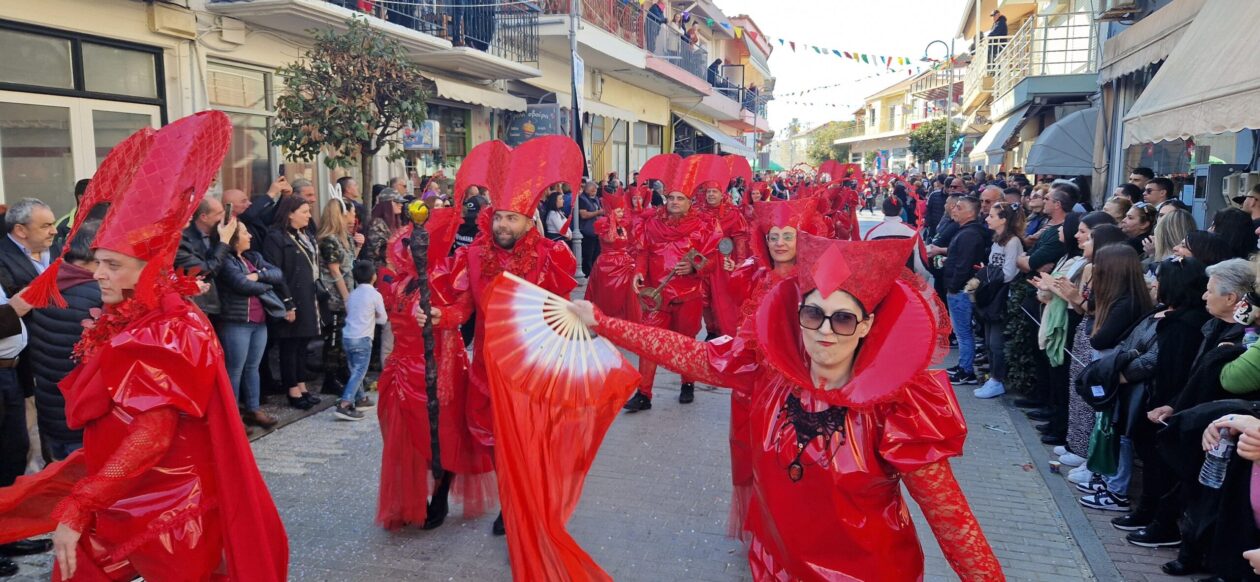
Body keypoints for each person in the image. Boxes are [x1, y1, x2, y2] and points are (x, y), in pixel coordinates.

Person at [570, 234, 1003, 580]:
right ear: (798, 315)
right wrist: (603, 322)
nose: (826, 331)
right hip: (775, 565)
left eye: (844, 318)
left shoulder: (895, 410)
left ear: (866, 325)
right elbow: (694, 356)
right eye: (813, 315)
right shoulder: (770, 373)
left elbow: (951, 519)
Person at [0, 111, 288, 581]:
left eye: (112, 264)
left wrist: (80, 505)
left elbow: (152, 434)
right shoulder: (136, 317)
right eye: (99, 262)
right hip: (126, 489)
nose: (98, 274)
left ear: (148, 270)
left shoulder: (170, 328)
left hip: (170, 501)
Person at [430, 136, 580, 536]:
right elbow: (463, 309)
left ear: (530, 221)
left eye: (512, 218)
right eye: (499, 217)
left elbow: (561, 312)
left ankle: (518, 501)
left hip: (532, 365)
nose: (502, 225)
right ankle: (508, 498)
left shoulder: (550, 257)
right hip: (487, 363)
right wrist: (438, 315)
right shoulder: (474, 257)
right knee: (494, 436)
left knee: (526, 438)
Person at [621, 154, 723, 411]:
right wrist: (638, 273)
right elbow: (643, 251)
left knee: (686, 342)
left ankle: (687, 382)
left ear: (690, 201)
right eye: (671, 198)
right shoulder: (653, 223)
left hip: (688, 295)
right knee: (649, 343)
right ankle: (644, 394)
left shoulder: (704, 226)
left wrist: (693, 266)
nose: (674, 202)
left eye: (680, 198)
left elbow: (713, 262)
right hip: (656, 296)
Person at [216, 219, 286, 429]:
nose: (250, 236)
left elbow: (277, 274)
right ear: (234, 239)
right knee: (234, 370)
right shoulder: (227, 262)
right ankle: (232, 415)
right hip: (237, 321)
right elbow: (241, 284)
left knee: (252, 367)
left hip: (259, 321)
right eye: (245, 233)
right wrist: (265, 285)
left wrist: (257, 275)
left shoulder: (252, 257)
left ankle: (253, 409)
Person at [263, 194, 322, 410]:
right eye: (304, 212)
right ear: (290, 214)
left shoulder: (303, 235)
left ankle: (301, 383)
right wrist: (287, 302)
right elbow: (276, 272)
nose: (309, 216)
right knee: (290, 343)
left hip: (307, 294)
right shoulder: (275, 237)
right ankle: (292, 389)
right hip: (290, 296)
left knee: (302, 342)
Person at [973, 201, 1025, 398]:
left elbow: (1009, 273)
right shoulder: (998, 240)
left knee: (996, 342)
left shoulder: (1013, 242)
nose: (987, 218)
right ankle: (993, 378)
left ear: (1003, 220)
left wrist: (987, 274)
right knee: (988, 340)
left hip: (1000, 296)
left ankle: (997, 379)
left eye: (992, 216)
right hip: (991, 294)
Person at [697, 168, 751, 338]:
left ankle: (727, 333)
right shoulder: (698, 213)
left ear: (722, 194)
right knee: (704, 298)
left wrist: (740, 263)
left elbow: (740, 239)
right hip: (704, 261)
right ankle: (711, 330)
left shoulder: (733, 214)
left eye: (714, 192)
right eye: (708, 192)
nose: (711, 195)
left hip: (723, 262)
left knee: (724, 301)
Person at [943, 196, 990, 386]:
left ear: (970, 213)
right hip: (961, 288)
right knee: (963, 331)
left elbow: (964, 265)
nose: (954, 210)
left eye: (959, 208)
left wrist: (953, 287)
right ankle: (964, 365)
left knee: (963, 332)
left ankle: (966, 370)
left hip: (961, 291)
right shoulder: (966, 232)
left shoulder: (969, 234)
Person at [316, 198, 359, 395]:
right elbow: (335, 271)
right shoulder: (329, 240)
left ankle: (343, 372)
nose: (353, 217)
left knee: (343, 337)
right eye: (350, 212)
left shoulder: (345, 238)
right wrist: (346, 297)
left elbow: (349, 264)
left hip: (348, 291)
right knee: (334, 338)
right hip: (335, 297)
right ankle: (330, 378)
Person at [338, 261, 384, 421]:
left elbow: (351, 312)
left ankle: (361, 398)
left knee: (354, 369)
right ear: (374, 276)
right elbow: (383, 318)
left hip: (348, 336)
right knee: (359, 371)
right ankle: (345, 403)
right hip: (363, 337)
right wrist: (375, 316)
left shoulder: (352, 294)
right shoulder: (375, 295)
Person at [175, 196, 235, 320]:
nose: (223, 217)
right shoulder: (182, 241)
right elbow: (206, 270)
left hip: (217, 303)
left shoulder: (216, 234)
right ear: (204, 217)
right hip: (196, 305)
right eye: (219, 213)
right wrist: (224, 241)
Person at [583, 194, 639, 321]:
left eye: (622, 210)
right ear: (611, 211)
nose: (621, 213)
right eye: (618, 211)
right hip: (607, 267)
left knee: (625, 300)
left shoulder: (622, 225)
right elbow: (610, 238)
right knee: (607, 298)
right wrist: (612, 220)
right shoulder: (602, 223)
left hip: (624, 265)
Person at [362, 192, 404, 270]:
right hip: (380, 270)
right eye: (397, 202)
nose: (401, 204)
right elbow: (379, 250)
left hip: (393, 268)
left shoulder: (395, 223)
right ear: (387, 204)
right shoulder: (377, 223)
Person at [577, 180, 604, 276]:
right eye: (594, 189)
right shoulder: (582, 199)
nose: (595, 191)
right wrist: (597, 213)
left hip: (596, 231)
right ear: (589, 189)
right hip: (587, 231)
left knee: (596, 254)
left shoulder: (596, 199)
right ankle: (587, 274)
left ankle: (594, 273)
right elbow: (583, 215)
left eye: (596, 189)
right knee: (588, 255)